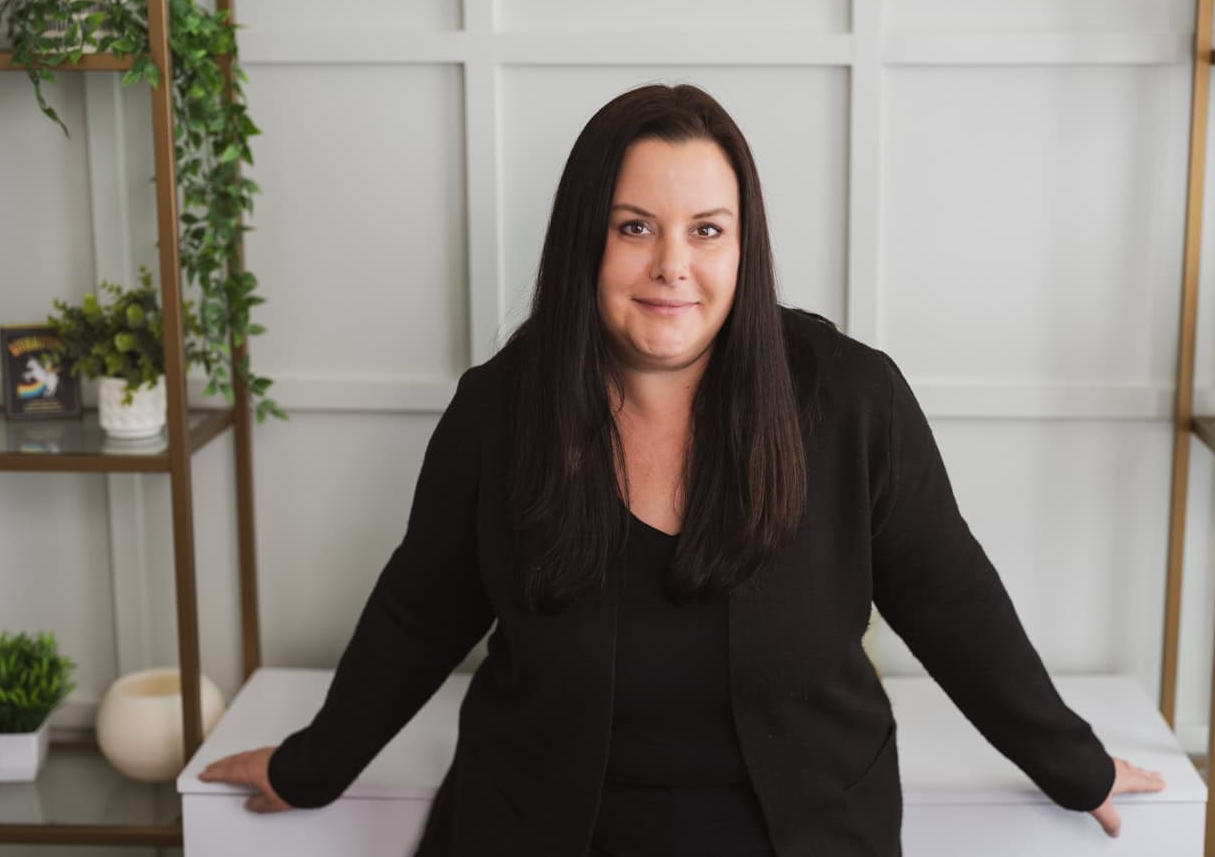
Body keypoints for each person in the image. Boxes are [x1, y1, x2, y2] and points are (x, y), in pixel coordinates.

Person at [199, 83, 1165, 855]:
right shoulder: (501, 408)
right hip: (538, 828)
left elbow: (955, 601)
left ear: (744, 246)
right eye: (633, 227)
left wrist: (1073, 764)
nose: (673, 265)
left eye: (707, 229)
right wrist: (311, 766)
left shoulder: (850, 398)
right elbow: (420, 610)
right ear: (585, 241)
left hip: (805, 833)